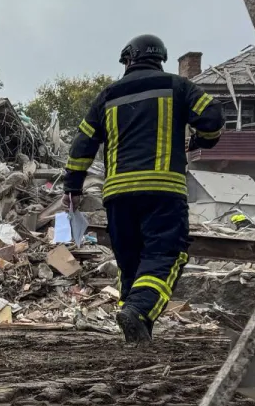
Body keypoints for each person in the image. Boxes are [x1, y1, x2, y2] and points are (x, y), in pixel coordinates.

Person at [65, 34, 224, 343]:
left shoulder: (106, 96)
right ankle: (138, 310)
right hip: (162, 190)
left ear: (128, 60)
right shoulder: (178, 87)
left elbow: (82, 145)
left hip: (118, 196)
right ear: (160, 59)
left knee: (131, 264)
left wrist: (73, 187)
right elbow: (213, 116)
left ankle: (137, 330)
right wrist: (204, 140)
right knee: (165, 255)